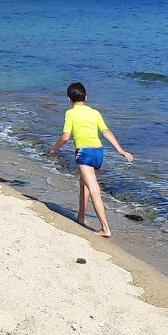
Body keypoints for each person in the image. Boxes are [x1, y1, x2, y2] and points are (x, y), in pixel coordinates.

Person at [47, 82, 133, 239]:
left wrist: (53, 149)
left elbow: (65, 137)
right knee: (84, 183)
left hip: (84, 153)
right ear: (86, 97)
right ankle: (80, 217)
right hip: (98, 153)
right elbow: (106, 131)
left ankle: (105, 228)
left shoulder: (70, 113)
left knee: (94, 190)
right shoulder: (95, 113)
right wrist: (120, 150)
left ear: (69, 99)